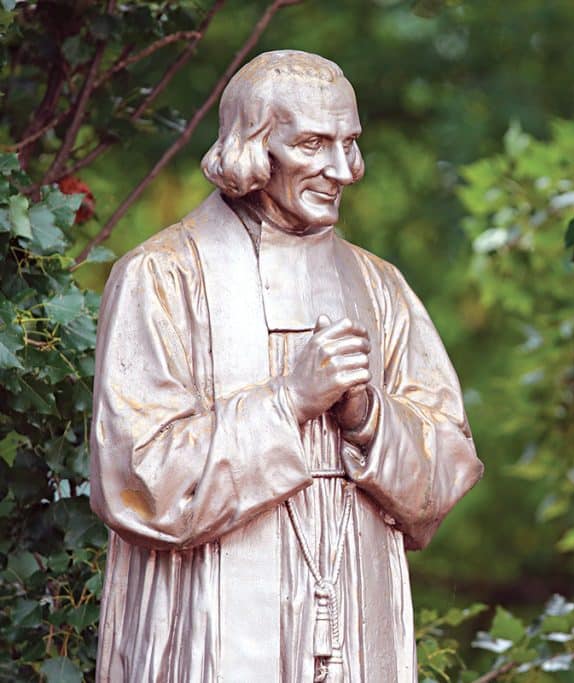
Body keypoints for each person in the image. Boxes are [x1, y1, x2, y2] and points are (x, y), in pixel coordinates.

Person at [89, 50, 483, 683]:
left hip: (359, 615)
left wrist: (367, 416)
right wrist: (288, 400)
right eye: (312, 144)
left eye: (350, 144)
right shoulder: (164, 278)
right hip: (214, 620)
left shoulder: (379, 287)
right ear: (254, 147)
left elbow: (449, 469)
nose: (343, 169)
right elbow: (137, 482)